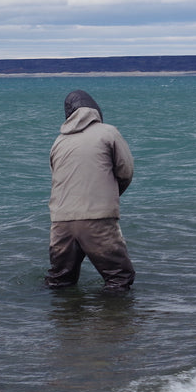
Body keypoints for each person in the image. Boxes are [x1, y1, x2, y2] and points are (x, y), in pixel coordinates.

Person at [45, 89, 136, 291]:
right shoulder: (108, 132)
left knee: (60, 280)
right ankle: (113, 320)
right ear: (95, 111)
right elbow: (125, 171)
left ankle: (62, 320)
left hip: (60, 222)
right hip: (96, 218)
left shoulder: (59, 141)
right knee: (119, 278)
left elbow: (57, 178)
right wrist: (108, 197)